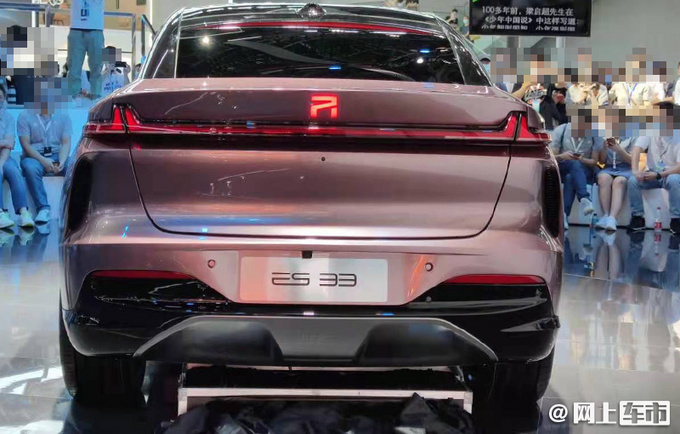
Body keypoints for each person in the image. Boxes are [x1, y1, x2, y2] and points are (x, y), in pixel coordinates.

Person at [18, 89, 72, 224]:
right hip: (34, 156)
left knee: (74, 166)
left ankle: (73, 207)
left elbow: (66, 143)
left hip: (57, 153)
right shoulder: (24, 115)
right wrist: (43, 161)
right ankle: (43, 208)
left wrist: (62, 161)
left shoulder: (63, 115)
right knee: (31, 168)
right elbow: (26, 145)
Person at [550, 122, 602, 228]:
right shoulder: (561, 131)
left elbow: (594, 162)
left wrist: (582, 160)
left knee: (570, 177)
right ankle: (584, 198)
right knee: (573, 164)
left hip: (584, 169)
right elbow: (552, 158)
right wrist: (562, 156)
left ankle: (564, 216)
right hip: (563, 166)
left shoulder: (595, 135)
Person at [627, 136, 680, 234]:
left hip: (670, 173)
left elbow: (679, 167)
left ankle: (676, 219)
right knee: (633, 180)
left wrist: (659, 175)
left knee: (675, 180)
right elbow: (637, 149)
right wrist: (635, 170)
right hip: (651, 172)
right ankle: (637, 217)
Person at [0, 86, 33, 229]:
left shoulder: (8, 117)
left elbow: (9, 144)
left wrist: (1, 164)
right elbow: (6, 142)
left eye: (0, 98)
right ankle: (0, 213)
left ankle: (23, 212)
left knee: (14, 170)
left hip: (3, 156)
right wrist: (4, 143)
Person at [595, 137, 635, 232]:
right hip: (608, 168)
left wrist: (619, 150)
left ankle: (612, 218)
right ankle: (605, 216)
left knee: (619, 181)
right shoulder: (604, 137)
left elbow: (632, 160)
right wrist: (604, 148)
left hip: (626, 168)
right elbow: (602, 161)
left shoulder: (632, 137)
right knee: (603, 178)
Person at [67, 0, 105, 98]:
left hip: (96, 28)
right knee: (74, 67)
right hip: (76, 28)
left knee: (97, 66)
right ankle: (73, 96)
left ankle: (96, 95)